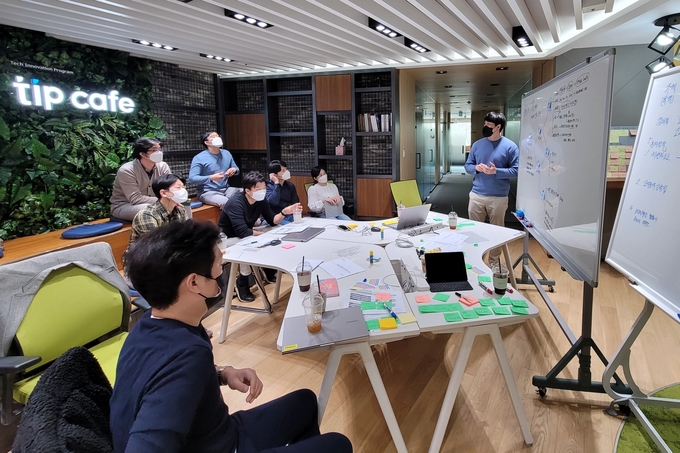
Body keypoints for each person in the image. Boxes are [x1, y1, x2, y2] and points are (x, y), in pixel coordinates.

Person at [111, 220, 352, 453]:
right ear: (194, 282)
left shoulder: (148, 327)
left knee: (305, 402)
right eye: (219, 267)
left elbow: (162, 381)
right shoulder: (186, 356)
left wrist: (222, 373)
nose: (222, 274)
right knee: (338, 444)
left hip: (221, 433)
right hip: (222, 446)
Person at [218, 171, 301, 302]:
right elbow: (242, 232)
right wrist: (264, 235)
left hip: (246, 232)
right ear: (248, 191)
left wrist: (284, 212)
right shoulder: (236, 203)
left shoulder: (261, 200)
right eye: (258, 189)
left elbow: (272, 220)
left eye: (264, 188)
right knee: (248, 244)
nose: (262, 191)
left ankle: (269, 270)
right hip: (227, 239)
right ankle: (242, 283)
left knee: (277, 230)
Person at [464, 111, 519, 263]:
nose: (485, 127)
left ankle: (494, 262)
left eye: (489, 124)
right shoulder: (477, 145)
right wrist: (476, 168)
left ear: (498, 127)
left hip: (498, 197)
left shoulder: (510, 147)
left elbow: (516, 170)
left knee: (497, 231)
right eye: (485, 124)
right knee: (474, 230)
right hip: (476, 194)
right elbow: (468, 166)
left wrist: (496, 171)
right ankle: (476, 261)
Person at [110, 137, 170, 221]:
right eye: (154, 150)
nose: (159, 152)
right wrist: (165, 200)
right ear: (142, 154)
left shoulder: (163, 166)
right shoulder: (127, 170)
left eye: (160, 149)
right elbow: (136, 199)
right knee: (150, 210)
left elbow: (170, 188)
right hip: (125, 206)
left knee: (180, 207)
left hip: (157, 203)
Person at [127, 174, 189, 248]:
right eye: (178, 187)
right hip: (146, 253)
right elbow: (156, 246)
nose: (183, 191)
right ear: (163, 193)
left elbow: (187, 236)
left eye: (183, 187)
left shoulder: (180, 211)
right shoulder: (147, 215)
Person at [188, 130, 240, 208]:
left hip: (226, 189)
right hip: (207, 192)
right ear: (206, 142)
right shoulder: (199, 158)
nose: (217, 138)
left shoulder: (226, 153)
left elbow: (236, 168)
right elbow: (192, 179)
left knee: (247, 193)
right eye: (213, 137)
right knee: (226, 202)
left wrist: (233, 170)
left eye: (218, 136)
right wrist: (211, 178)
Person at [266, 159, 299, 225]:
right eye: (283, 170)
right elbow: (273, 202)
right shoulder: (267, 186)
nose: (287, 172)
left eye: (286, 169)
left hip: (289, 215)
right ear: (274, 174)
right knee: (290, 226)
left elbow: (295, 202)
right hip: (275, 217)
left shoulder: (290, 185)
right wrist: (277, 183)